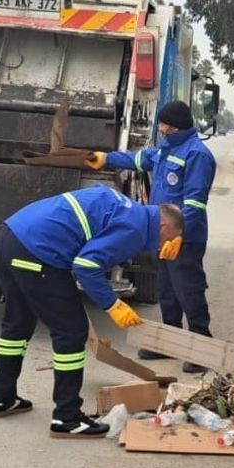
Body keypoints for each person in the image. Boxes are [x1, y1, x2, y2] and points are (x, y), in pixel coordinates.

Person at [0, 185, 184, 438]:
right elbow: (86, 265)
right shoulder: (134, 229)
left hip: (12, 236)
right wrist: (112, 304)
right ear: (163, 226)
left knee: (18, 322)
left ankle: (1, 399)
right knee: (71, 331)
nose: (161, 248)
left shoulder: (130, 210)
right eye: (167, 241)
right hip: (39, 251)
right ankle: (66, 419)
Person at [84, 100, 217, 373]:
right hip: (162, 234)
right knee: (166, 292)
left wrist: (181, 235)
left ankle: (202, 347)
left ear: (175, 126)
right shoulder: (165, 150)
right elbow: (136, 160)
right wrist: (106, 158)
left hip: (185, 239)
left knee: (188, 290)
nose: (161, 129)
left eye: (165, 125)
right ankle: (169, 343)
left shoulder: (197, 155)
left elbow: (195, 204)